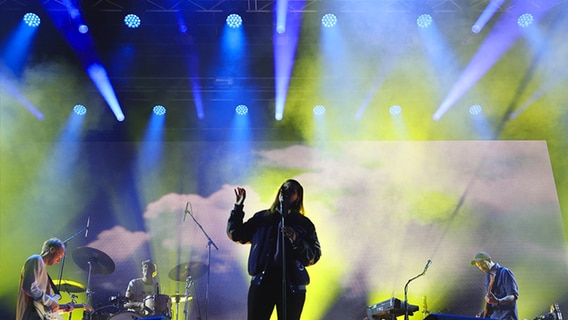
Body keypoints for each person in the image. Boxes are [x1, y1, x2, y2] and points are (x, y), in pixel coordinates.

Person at [227, 179, 322, 320]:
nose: (286, 191)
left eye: (292, 190)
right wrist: (238, 207)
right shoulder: (262, 218)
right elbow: (236, 234)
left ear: (298, 197)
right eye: (284, 188)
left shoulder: (304, 224)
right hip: (262, 282)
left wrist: (296, 239)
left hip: (292, 285)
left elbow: (314, 256)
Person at [17, 237, 73, 320]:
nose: (58, 261)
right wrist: (50, 302)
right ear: (52, 250)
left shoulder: (44, 272)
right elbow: (29, 286)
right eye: (59, 256)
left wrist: (61, 309)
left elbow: (44, 307)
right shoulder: (36, 259)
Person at [471, 251, 519, 320]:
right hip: (494, 317)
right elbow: (492, 302)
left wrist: (498, 301)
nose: (481, 267)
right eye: (478, 265)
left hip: (506, 317)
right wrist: (484, 313)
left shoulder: (505, 272)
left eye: (482, 263)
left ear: (489, 260)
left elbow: (513, 296)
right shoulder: (488, 277)